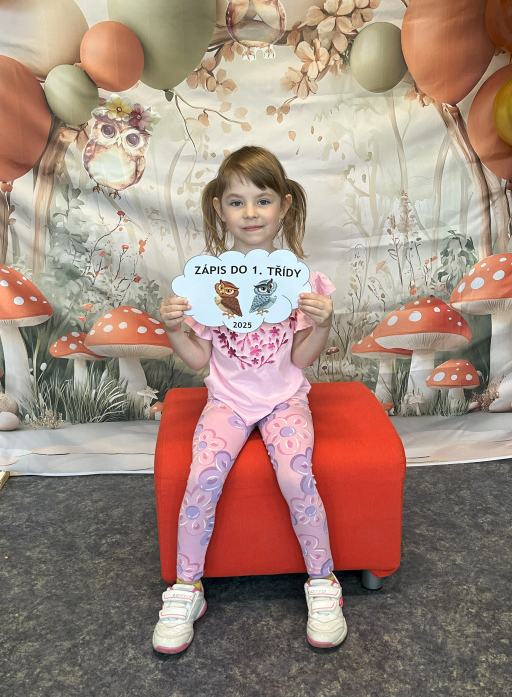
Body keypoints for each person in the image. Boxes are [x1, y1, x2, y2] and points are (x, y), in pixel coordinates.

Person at [155, 146, 346, 653]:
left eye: (262, 200)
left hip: (284, 400)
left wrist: (323, 324)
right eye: (236, 202)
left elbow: (301, 358)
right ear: (219, 209)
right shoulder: (206, 285)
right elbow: (198, 360)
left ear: (284, 206)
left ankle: (323, 581)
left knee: (296, 475)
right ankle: (186, 587)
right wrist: (174, 330)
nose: (251, 213)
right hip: (228, 402)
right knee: (202, 476)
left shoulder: (300, 282)